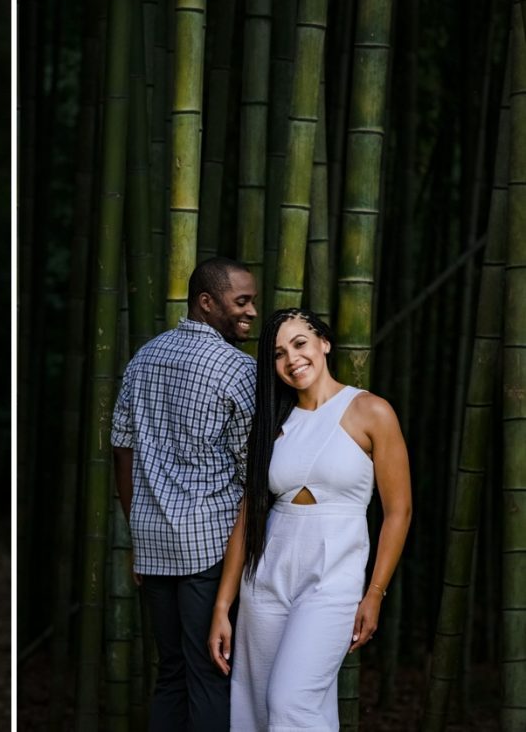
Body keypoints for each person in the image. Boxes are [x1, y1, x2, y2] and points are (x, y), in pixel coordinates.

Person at [206, 308, 411, 731]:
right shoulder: (273, 426)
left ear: (324, 343)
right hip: (265, 579)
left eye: (299, 343)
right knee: (258, 710)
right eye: (279, 354)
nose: (292, 359)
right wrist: (223, 606)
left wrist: (374, 593)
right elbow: (248, 518)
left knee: (290, 703)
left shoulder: (370, 411)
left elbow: (398, 511)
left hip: (332, 581)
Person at [112, 256, 259, 731]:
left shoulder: (145, 357)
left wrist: (138, 525)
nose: (252, 311)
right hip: (212, 546)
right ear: (206, 302)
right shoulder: (238, 369)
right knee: (212, 673)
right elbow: (250, 468)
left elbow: (122, 446)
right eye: (242, 301)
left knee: (171, 674)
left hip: (153, 542)